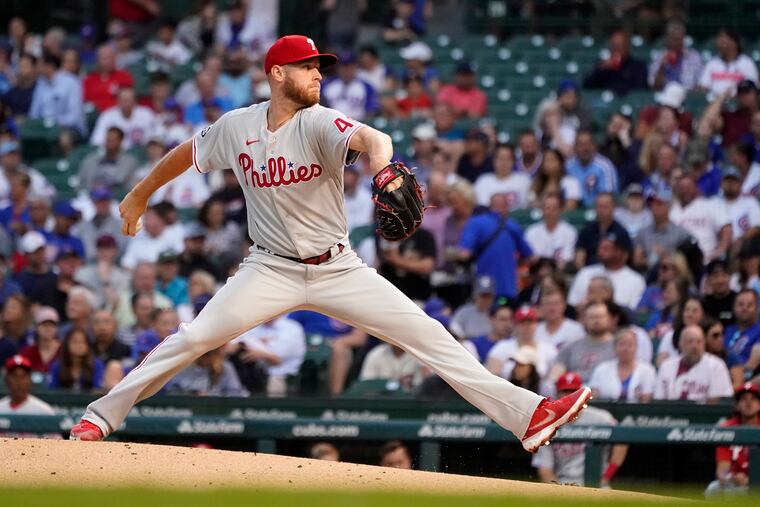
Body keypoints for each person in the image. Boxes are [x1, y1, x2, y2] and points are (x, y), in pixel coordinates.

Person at [70, 35, 591, 452]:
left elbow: (372, 139)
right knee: (192, 337)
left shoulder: (319, 122)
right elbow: (190, 151)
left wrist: (384, 167)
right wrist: (139, 195)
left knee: (430, 335)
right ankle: (99, 417)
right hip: (267, 269)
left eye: (321, 65)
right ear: (278, 73)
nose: (319, 73)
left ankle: (529, 416)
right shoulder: (239, 126)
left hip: (339, 268)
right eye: (307, 65)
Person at [532, 372, 627, 488]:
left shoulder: (600, 418)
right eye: (564, 391)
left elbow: (622, 440)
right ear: (557, 393)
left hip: (597, 485)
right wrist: (559, 492)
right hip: (564, 484)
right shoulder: (548, 426)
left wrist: (606, 477)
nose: (569, 396)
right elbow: (545, 470)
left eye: (573, 392)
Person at [458, 194, 533, 300]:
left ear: (490, 206)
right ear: (506, 207)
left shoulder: (476, 222)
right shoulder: (513, 225)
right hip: (508, 288)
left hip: (484, 288)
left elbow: (464, 253)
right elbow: (530, 256)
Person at [705, 382, 760, 497]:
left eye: (753, 399)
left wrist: (751, 479)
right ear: (737, 405)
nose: (748, 403)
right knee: (713, 490)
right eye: (744, 399)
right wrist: (730, 477)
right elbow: (722, 470)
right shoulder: (728, 428)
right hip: (735, 485)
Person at [230, 315, 306, 396]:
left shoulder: (292, 328)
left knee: (274, 381)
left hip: (281, 375)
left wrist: (257, 347)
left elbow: (277, 358)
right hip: (252, 371)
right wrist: (260, 344)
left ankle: (273, 408)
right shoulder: (252, 325)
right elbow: (235, 345)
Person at [654, 325, 733, 403]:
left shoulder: (716, 365)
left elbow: (719, 400)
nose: (695, 346)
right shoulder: (666, 366)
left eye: (699, 342)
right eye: (690, 341)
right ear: (681, 344)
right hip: (671, 414)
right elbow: (659, 400)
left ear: (704, 344)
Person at [568, 232, 645, 310]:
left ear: (621, 252)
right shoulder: (585, 273)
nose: (600, 252)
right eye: (600, 248)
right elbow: (572, 304)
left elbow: (633, 312)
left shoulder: (636, 280)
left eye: (606, 249)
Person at [670, 174, 731, 262]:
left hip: (708, 258)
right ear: (678, 190)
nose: (685, 190)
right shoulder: (673, 212)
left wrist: (720, 250)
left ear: (696, 188)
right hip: (681, 263)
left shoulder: (710, 205)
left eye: (688, 187)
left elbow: (726, 229)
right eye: (682, 187)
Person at [550, 302, 616, 383]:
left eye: (600, 317)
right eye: (592, 317)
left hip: (604, 392)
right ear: (584, 320)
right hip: (574, 390)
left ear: (609, 319)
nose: (596, 321)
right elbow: (555, 375)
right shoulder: (571, 347)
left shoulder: (618, 346)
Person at [588, 327, 656, 402]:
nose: (626, 349)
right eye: (622, 345)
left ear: (636, 347)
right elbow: (593, 395)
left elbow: (647, 399)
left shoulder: (647, 370)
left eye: (630, 345)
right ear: (614, 347)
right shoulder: (602, 369)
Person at [28, 52, 85, 135]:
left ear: (49, 66)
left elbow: (74, 117)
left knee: (63, 138)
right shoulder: (40, 84)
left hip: (69, 128)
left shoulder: (71, 82)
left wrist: (53, 122)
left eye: (40, 65)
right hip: (44, 128)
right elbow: (33, 113)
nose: (37, 68)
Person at [582, 30, 648, 96]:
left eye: (620, 45)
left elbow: (640, 90)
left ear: (627, 47)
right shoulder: (603, 66)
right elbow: (587, 86)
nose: (617, 49)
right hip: (607, 103)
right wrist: (600, 69)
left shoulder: (638, 66)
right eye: (614, 45)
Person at [89, 87, 157, 149]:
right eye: (124, 101)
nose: (127, 104)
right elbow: (97, 141)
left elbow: (155, 138)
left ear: (135, 101)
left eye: (129, 100)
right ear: (117, 101)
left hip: (142, 154)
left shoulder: (147, 114)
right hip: (117, 155)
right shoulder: (107, 116)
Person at [698, 28, 758, 97]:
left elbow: (751, 90)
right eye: (719, 38)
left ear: (734, 42)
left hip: (738, 103)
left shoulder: (746, 63)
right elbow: (703, 86)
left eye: (723, 38)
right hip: (714, 102)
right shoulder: (712, 63)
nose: (719, 42)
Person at [565, 131, 618, 207]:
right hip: (573, 209)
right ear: (575, 148)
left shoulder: (604, 166)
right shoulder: (568, 165)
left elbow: (608, 196)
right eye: (581, 145)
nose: (585, 148)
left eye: (588, 144)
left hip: (597, 209)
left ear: (595, 146)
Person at [524, 193, 577, 269]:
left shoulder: (570, 231)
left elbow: (567, 258)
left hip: (560, 273)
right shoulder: (532, 231)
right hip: (537, 272)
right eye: (547, 208)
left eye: (554, 208)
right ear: (542, 210)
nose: (550, 212)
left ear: (560, 210)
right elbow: (530, 258)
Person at [648, 20, 703, 91]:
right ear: (667, 39)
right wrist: (661, 68)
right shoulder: (659, 57)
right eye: (674, 39)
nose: (677, 43)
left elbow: (701, 84)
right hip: (665, 97)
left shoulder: (694, 57)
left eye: (679, 39)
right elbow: (654, 87)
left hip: (688, 96)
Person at [322, 52, 378, 122]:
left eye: (351, 66)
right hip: (331, 124)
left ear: (356, 67)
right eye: (344, 66)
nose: (347, 70)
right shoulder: (326, 85)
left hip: (358, 125)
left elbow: (371, 112)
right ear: (338, 68)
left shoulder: (366, 87)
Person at [473, 143, 531, 209]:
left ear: (513, 161)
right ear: (494, 161)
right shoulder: (483, 181)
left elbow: (528, 206)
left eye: (508, 159)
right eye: (501, 158)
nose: (504, 163)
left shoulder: (524, 180)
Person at [82, 45, 134, 112]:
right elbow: (86, 103)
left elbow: (129, 100)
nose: (109, 61)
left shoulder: (124, 77)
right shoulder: (88, 80)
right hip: (95, 116)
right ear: (98, 60)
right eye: (105, 58)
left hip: (118, 115)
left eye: (111, 57)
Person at [534, 287, 585, 351]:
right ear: (541, 307)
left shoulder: (576, 330)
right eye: (548, 304)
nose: (552, 308)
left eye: (556, 304)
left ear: (564, 306)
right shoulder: (535, 330)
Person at [723, 289, 760, 373]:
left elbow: (752, 365)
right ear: (734, 307)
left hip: (744, 377)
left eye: (749, 305)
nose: (745, 308)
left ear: (757, 308)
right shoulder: (727, 330)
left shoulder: (758, 331)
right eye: (740, 304)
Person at [449, 275, 495, 340]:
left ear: (493, 297)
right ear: (475, 295)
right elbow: (454, 326)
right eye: (482, 296)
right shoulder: (465, 311)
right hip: (469, 343)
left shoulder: (496, 312)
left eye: (488, 296)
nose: (485, 299)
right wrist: (462, 337)